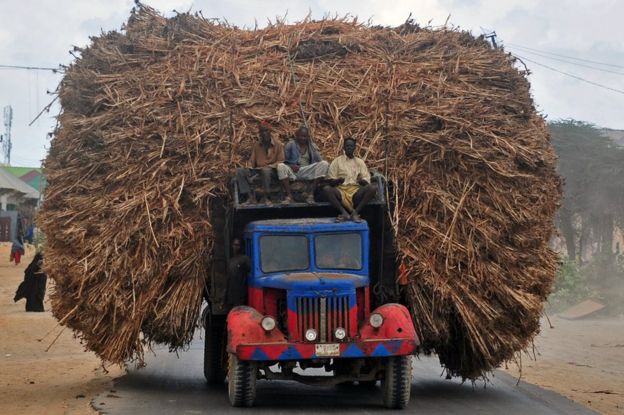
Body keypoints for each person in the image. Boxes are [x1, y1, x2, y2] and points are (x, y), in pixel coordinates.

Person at [323, 137, 378, 223]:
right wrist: (338, 181)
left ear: (354, 148)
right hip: (341, 190)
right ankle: (344, 213)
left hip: (355, 191)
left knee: (373, 188)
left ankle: (355, 213)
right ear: (344, 147)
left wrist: (361, 181)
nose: (349, 148)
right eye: (347, 146)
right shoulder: (336, 161)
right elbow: (330, 181)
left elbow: (366, 181)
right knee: (326, 189)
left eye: (351, 146)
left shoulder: (360, 162)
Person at [235, 120, 285, 206]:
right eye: (262, 131)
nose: (264, 133)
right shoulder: (257, 145)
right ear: (260, 134)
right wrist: (249, 167)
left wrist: (270, 166)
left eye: (266, 131)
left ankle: (266, 197)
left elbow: (281, 161)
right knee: (239, 171)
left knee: (266, 171)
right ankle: (250, 197)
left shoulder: (278, 145)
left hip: (273, 171)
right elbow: (252, 161)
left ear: (270, 132)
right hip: (259, 170)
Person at [277, 126, 329, 204]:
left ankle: (311, 195)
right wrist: (291, 165)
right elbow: (283, 161)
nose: (303, 138)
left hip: (307, 171)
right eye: (301, 136)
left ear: (308, 137)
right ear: (297, 136)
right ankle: (289, 196)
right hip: (293, 171)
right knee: (280, 166)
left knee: (324, 164)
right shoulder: (290, 145)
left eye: (305, 136)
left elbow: (319, 160)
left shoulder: (311, 146)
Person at [225, 238, 251, 307]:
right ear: (232, 246)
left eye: (238, 245)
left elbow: (249, 272)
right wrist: (225, 298)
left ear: (241, 246)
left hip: (240, 296)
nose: (236, 247)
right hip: (231, 296)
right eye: (235, 245)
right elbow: (228, 279)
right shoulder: (231, 261)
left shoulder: (245, 259)